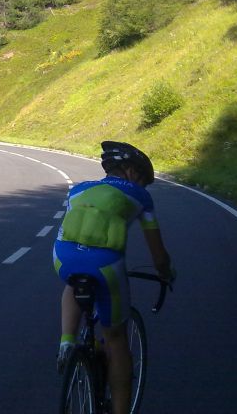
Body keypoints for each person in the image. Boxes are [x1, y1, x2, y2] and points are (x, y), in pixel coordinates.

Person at [53, 141, 174, 414]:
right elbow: (157, 253)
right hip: (105, 263)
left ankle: (67, 341)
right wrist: (165, 272)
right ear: (131, 171)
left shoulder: (79, 188)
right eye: (142, 179)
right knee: (116, 339)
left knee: (73, 281)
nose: (143, 186)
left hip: (62, 256)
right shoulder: (141, 197)